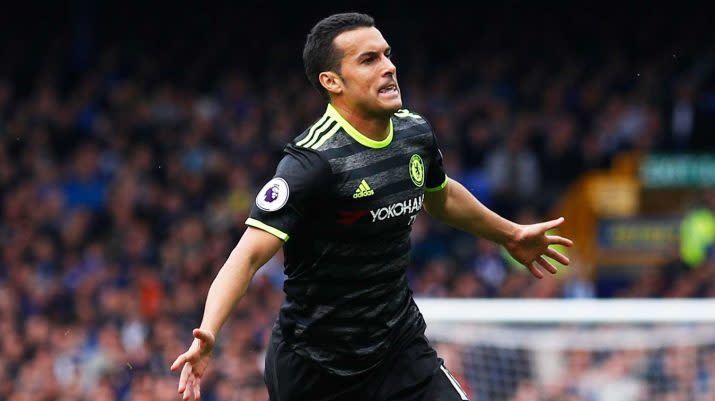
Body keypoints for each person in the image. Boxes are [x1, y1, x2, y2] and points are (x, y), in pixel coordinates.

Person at [170, 12, 573, 401]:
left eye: (386, 54)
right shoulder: (312, 162)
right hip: (316, 368)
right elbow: (248, 255)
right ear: (332, 81)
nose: (388, 67)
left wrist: (512, 234)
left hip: (398, 349)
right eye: (368, 59)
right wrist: (208, 332)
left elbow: (442, 195)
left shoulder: (415, 132)